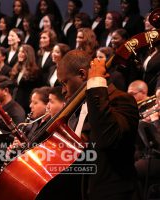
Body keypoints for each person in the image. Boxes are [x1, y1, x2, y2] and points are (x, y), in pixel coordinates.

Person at [57, 49, 139, 199]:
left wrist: (95, 85)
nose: (62, 91)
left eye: (64, 82)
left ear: (82, 75)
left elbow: (106, 138)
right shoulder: (79, 108)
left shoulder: (122, 100)